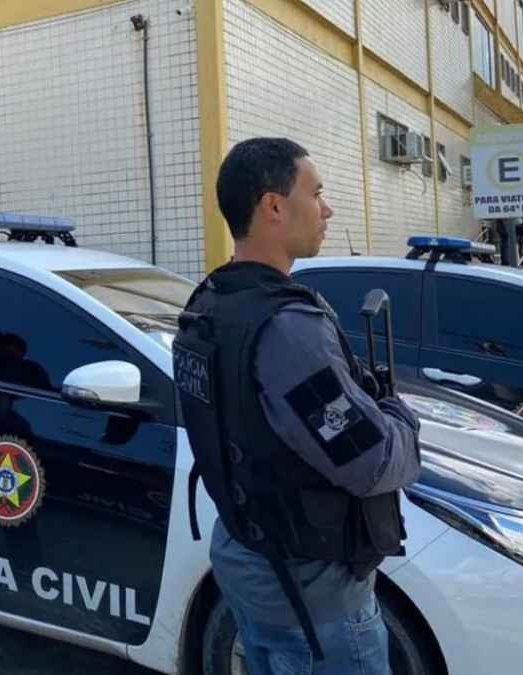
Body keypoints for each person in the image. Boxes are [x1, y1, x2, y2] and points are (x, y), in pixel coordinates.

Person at [173, 138, 421, 675]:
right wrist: (402, 417)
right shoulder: (287, 329)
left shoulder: (210, 303)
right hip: (314, 597)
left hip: (252, 559)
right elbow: (370, 462)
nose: (327, 209)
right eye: (317, 192)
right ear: (274, 207)